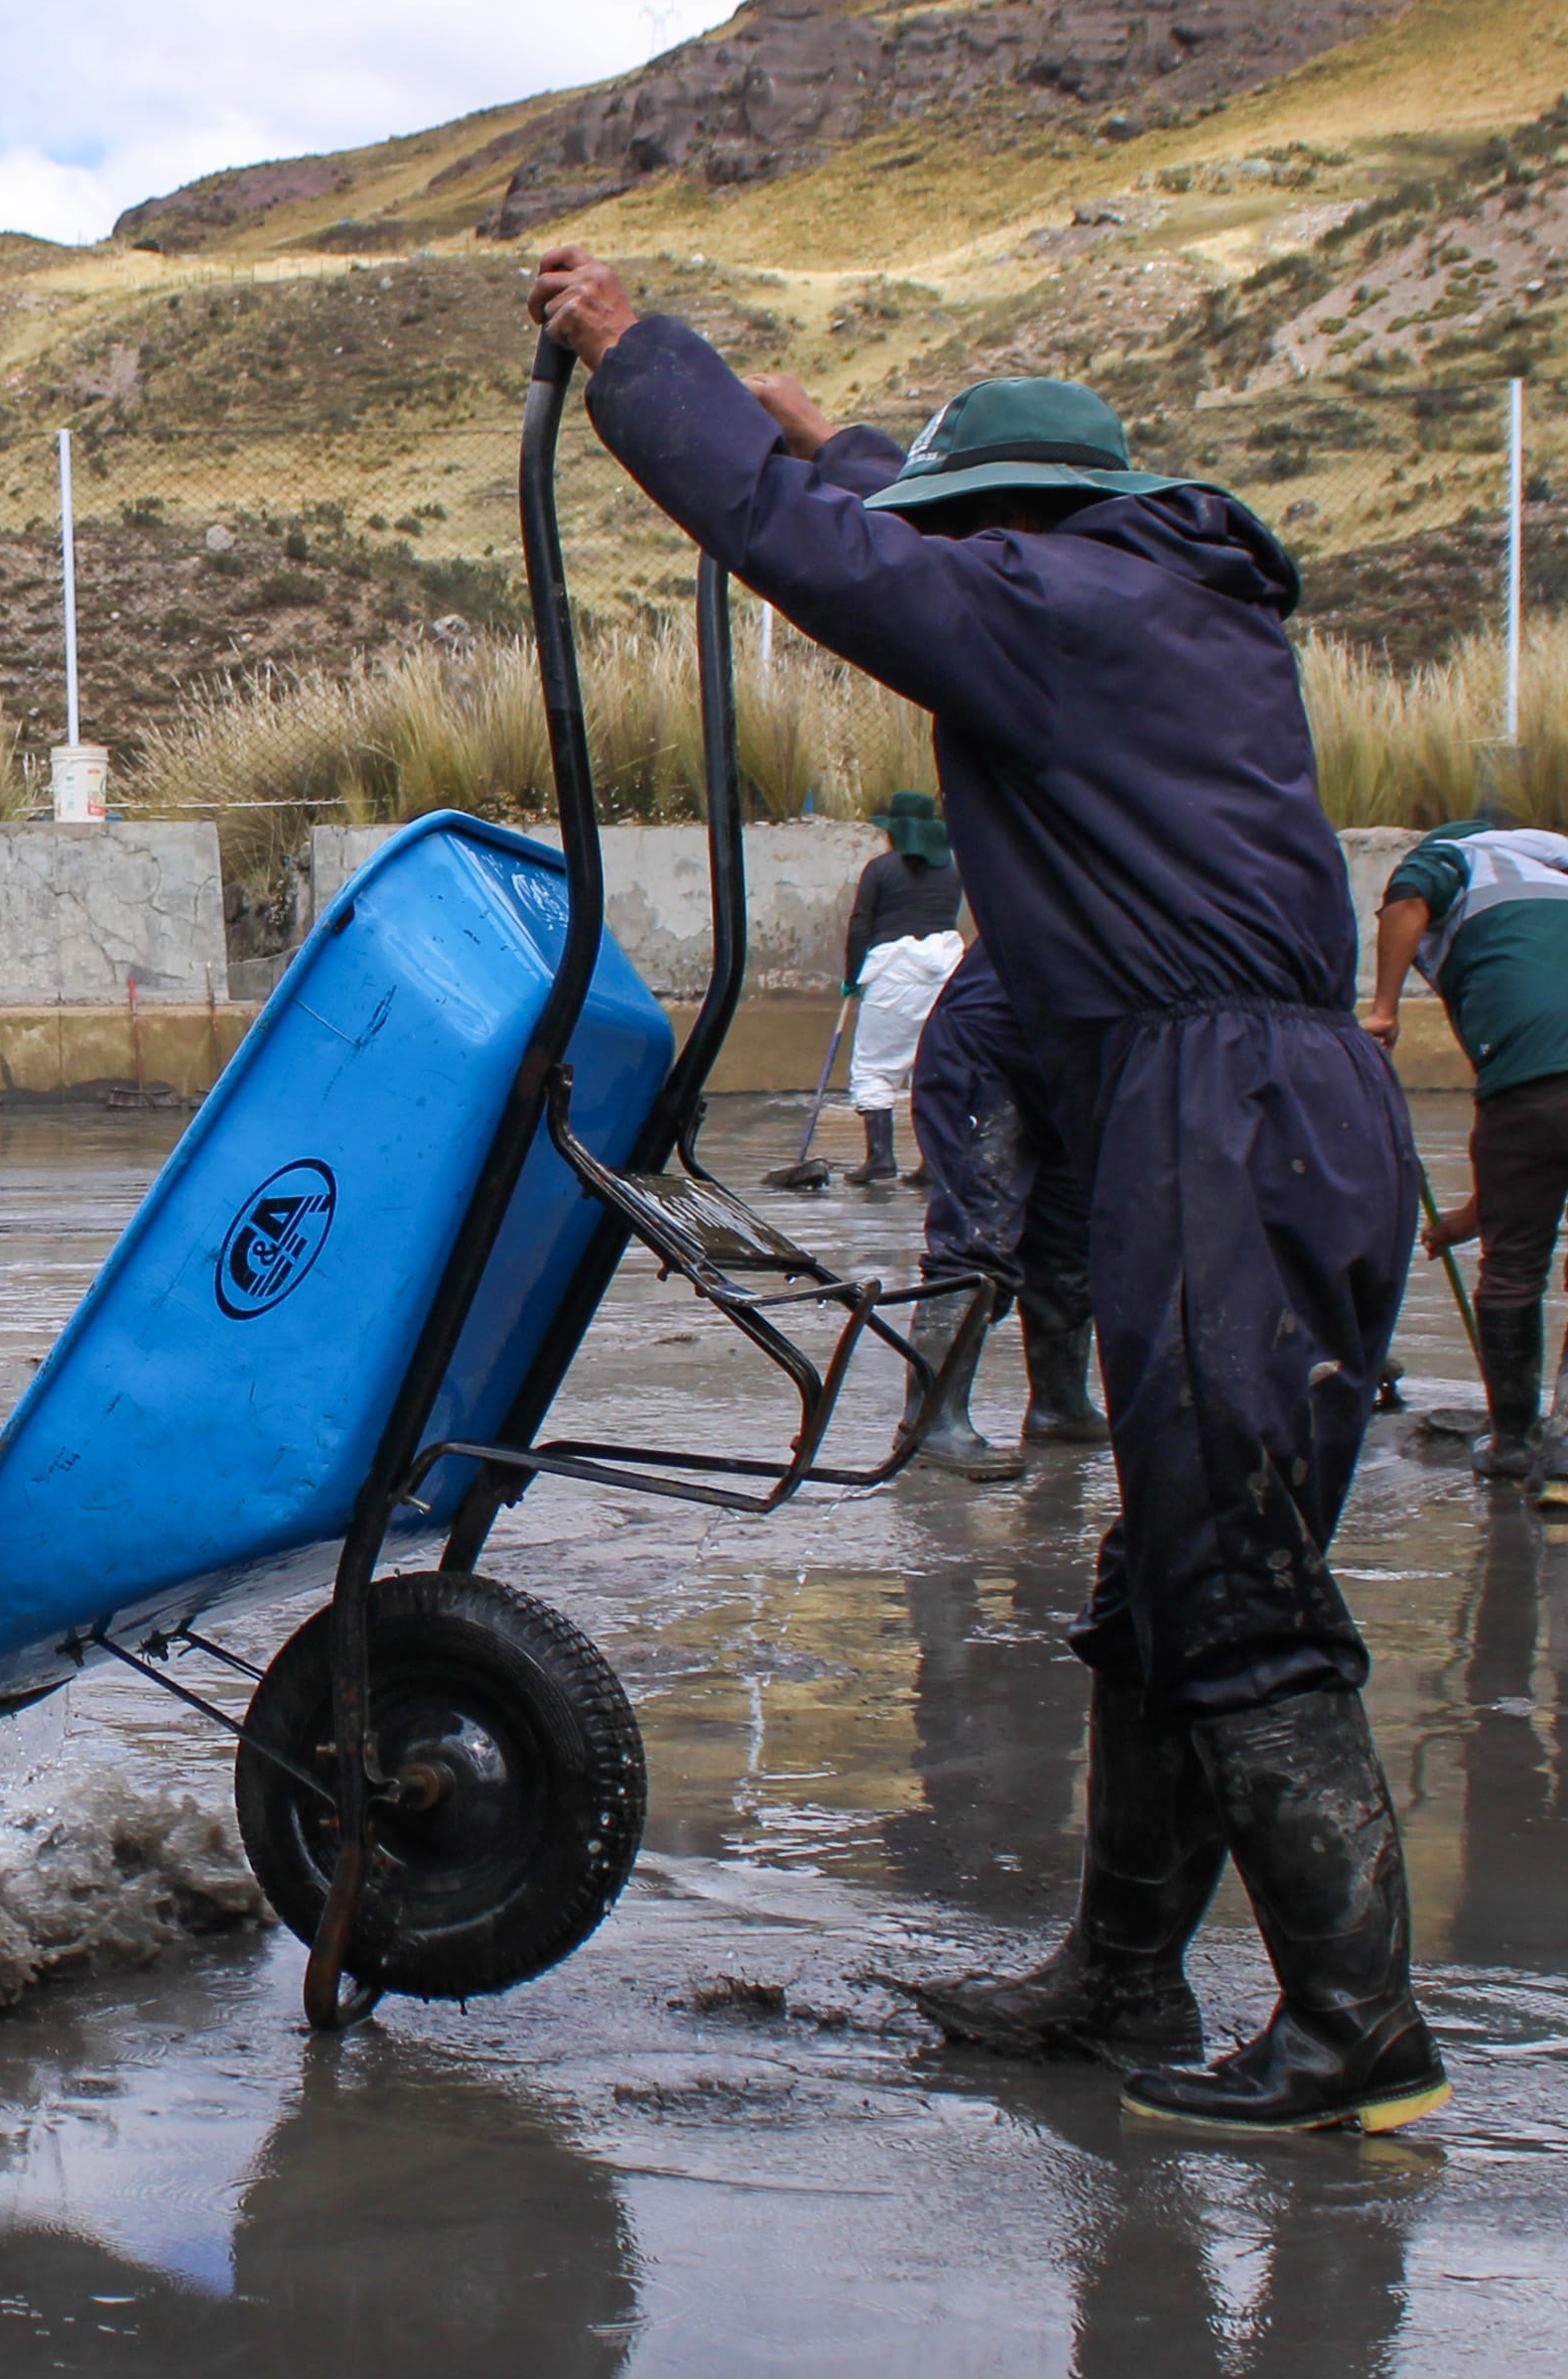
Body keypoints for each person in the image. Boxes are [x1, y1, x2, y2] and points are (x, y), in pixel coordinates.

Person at [534, 244, 1433, 2139]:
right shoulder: (1146, 596)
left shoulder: (1069, 609)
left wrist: (646, 369)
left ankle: (1360, 2032)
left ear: (1020, 526)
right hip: (1254, 1105)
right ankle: (1119, 1977)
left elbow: (850, 566)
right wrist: (833, 436)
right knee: (1157, 1579)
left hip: (1226, 1110)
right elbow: (913, 540)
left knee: (1233, 1579)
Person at [1370, 820, 1568, 1517]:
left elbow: (1405, 903)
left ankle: (1513, 1445)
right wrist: (1465, 1218)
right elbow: (1539, 1142)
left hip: (1539, 1068)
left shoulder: (1454, 858)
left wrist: (1384, 1011)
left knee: (1514, 1264)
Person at [892, 948, 1104, 1477]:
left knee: (1068, 1241)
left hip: (1077, 1058)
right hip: (990, 1046)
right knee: (977, 1231)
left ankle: (1060, 1404)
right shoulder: (1075, 867)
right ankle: (930, 1420)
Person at [835, 788, 966, 1189]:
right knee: (931, 1064)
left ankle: (880, 1158)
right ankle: (932, 1159)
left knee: (876, 1065)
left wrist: (852, 977)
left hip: (893, 973)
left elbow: (861, 924)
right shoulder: (953, 870)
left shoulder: (880, 869)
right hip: (944, 972)